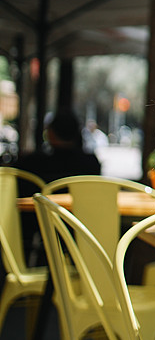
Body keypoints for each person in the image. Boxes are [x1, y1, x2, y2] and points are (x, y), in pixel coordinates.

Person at [13, 109, 101, 263]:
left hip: (39, 226)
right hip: (78, 228)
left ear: (50, 133)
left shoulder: (32, 163)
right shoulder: (90, 164)